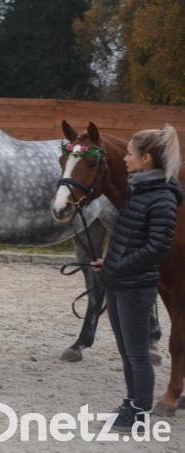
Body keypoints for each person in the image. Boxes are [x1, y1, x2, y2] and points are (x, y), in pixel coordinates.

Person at [90, 125, 181, 433]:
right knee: (126, 351)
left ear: (146, 159)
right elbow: (127, 238)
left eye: (129, 154)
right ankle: (131, 404)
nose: (125, 158)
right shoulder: (138, 189)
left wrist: (119, 268)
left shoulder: (164, 198)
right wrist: (110, 261)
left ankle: (140, 414)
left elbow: (155, 248)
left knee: (139, 354)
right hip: (119, 279)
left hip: (136, 285)